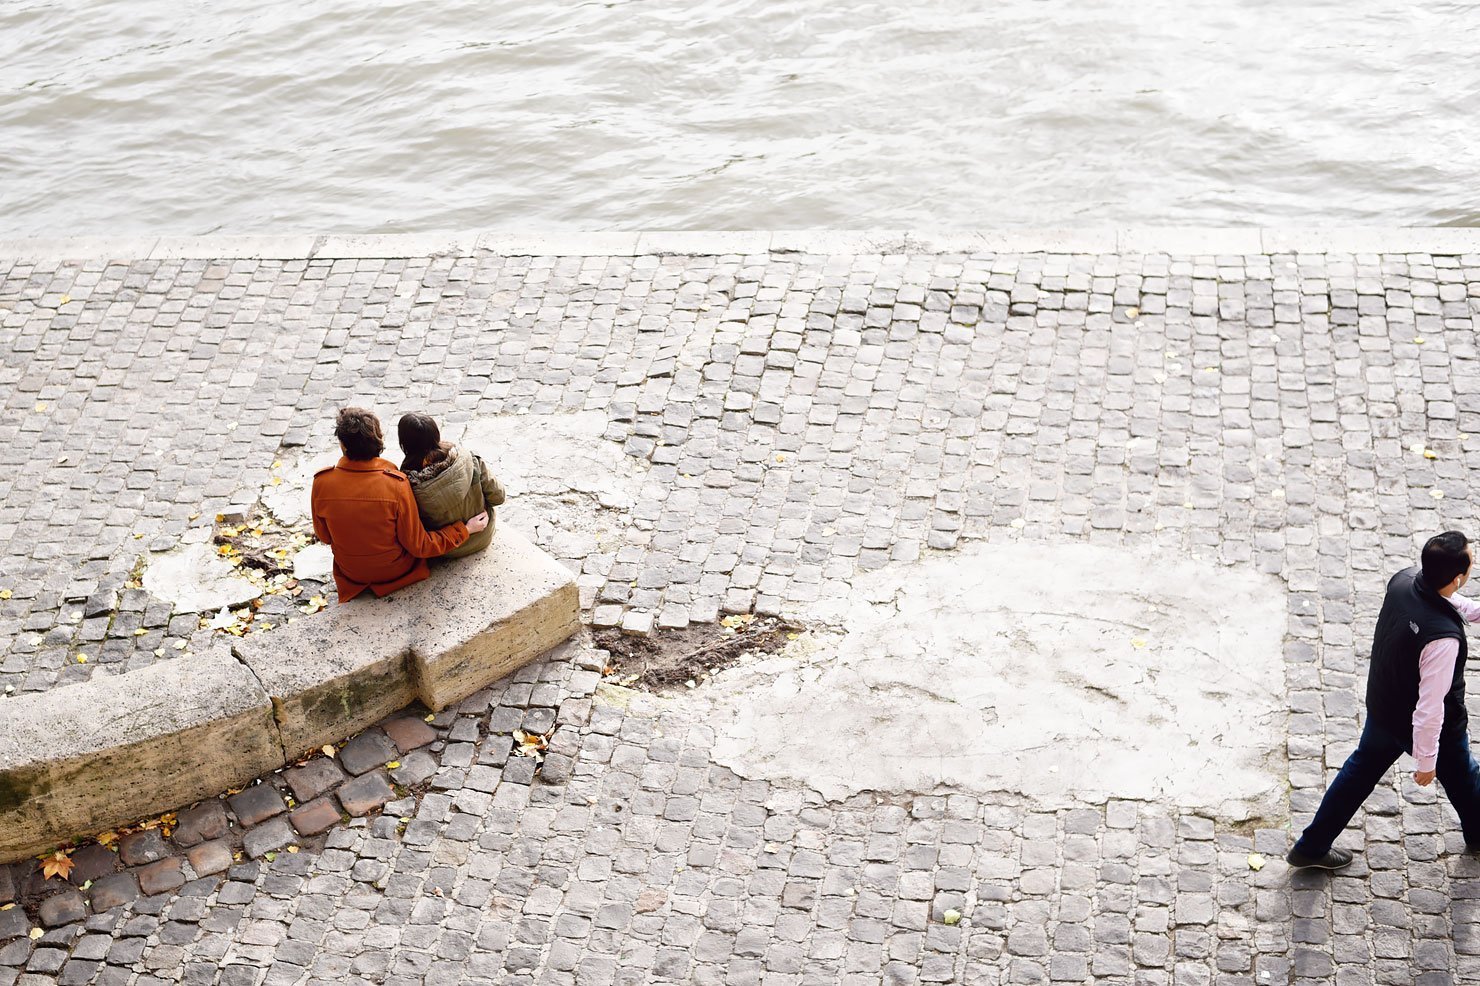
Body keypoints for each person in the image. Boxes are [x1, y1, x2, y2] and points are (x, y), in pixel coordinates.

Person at [1288, 531, 1480, 869]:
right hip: (1422, 725)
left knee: (1358, 773)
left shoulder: (1404, 581)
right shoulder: (1443, 642)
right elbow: (1430, 708)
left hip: (1385, 706)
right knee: (1466, 778)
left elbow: (1442, 603)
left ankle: (1311, 846)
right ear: (1457, 578)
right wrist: (1425, 761)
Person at [310, 407, 488, 601]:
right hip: (396, 573)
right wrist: (465, 529)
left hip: (352, 575)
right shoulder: (396, 484)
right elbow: (419, 545)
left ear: (343, 445)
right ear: (379, 440)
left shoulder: (321, 482)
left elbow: (325, 536)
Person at [397, 412, 505, 560]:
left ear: (404, 444)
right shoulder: (468, 459)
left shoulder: (408, 485)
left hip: (447, 549)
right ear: (436, 434)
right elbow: (498, 497)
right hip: (483, 533)